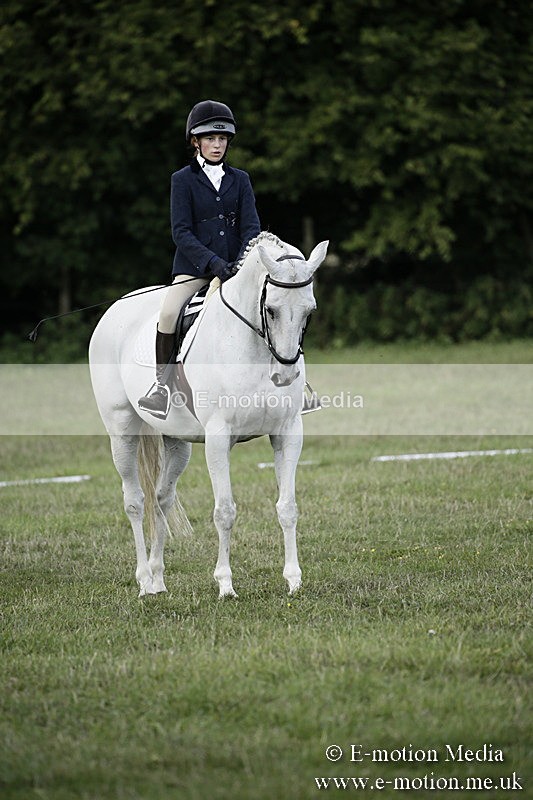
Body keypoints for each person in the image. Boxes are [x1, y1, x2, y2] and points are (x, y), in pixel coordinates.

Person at [138, 100, 261, 418]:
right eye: (210, 139)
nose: (217, 145)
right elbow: (181, 232)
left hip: (237, 269)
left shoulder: (241, 179)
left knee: (276, 306)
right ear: (196, 141)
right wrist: (213, 263)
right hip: (194, 270)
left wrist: (241, 261)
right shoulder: (182, 180)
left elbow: (251, 227)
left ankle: (294, 385)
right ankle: (162, 388)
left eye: (222, 139)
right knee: (168, 314)